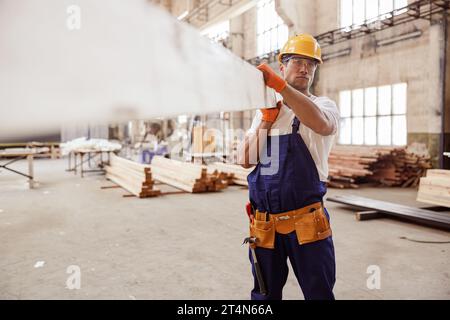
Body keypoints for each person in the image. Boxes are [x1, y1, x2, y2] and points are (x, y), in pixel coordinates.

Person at [238, 34, 340, 300]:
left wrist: (281, 87)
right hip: (265, 226)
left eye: (311, 63)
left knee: (319, 293)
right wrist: (265, 122)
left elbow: (321, 124)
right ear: (282, 65)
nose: (305, 68)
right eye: (297, 61)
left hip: (308, 224)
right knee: (264, 296)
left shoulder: (322, 106)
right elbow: (245, 159)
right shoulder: (264, 112)